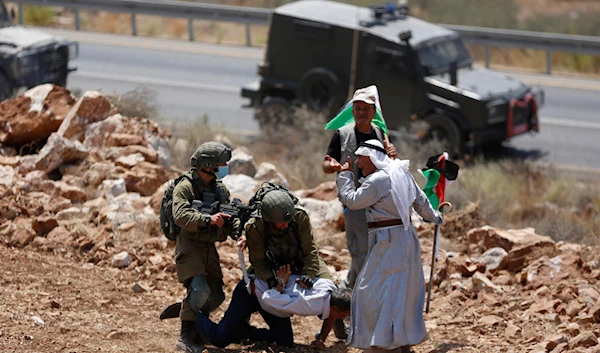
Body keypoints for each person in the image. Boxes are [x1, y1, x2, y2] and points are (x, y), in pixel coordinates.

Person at [336, 139, 443, 353]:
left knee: (374, 290)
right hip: (405, 239)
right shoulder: (402, 174)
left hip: (388, 241)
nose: (357, 162)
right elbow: (421, 203)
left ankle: (386, 342)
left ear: (372, 157)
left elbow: (353, 200)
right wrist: (437, 217)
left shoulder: (378, 180)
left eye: (360, 157)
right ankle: (399, 340)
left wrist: (345, 176)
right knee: (400, 290)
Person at [322, 86, 397, 338]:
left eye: (366, 109)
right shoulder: (342, 135)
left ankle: (345, 306)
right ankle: (341, 307)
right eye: (357, 109)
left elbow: (389, 164)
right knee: (360, 259)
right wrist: (332, 167)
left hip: (377, 205)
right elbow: (326, 162)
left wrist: (392, 154)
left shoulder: (379, 132)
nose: (361, 113)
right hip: (354, 206)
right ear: (352, 111)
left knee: (371, 260)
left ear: (373, 112)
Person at [171, 141, 239, 353]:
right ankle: (185, 336)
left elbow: (229, 216)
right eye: (222, 163)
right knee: (199, 290)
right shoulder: (185, 186)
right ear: (209, 165)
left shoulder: (219, 189)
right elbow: (180, 215)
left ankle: (198, 329)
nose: (225, 167)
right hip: (189, 245)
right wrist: (208, 219)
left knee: (216, 295)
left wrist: (238, 228)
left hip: (209, 247)